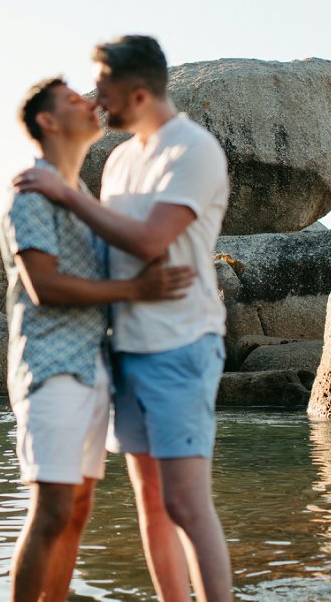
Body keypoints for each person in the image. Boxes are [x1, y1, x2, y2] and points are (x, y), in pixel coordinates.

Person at [14, 36, 233, 602]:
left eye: (102, 88)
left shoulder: (194, 150)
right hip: (124, 352)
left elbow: (150, 240)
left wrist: (66, 194)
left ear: (136, 92)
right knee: (153, 504)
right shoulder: (118, 161)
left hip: (181, 342)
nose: (96, 99)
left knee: (186, 502)